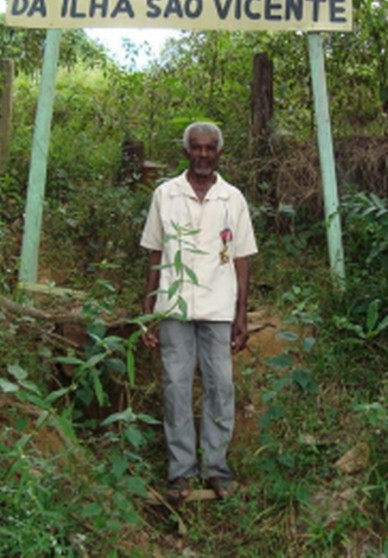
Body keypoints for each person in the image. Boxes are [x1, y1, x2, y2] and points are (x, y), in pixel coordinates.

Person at [139, 121, 258, 501]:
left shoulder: (233, 199)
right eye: (196, 148)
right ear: (185, 152)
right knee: (175, 386)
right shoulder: (166, 194)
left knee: (220, 387)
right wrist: (149, 307)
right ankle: (180, 472)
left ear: (220, 154)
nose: (203, 154)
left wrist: (242, 315)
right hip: (174, 306)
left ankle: (217, 469)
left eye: (210, 148)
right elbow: (156, 252)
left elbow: (241, 259)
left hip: (219, 308)